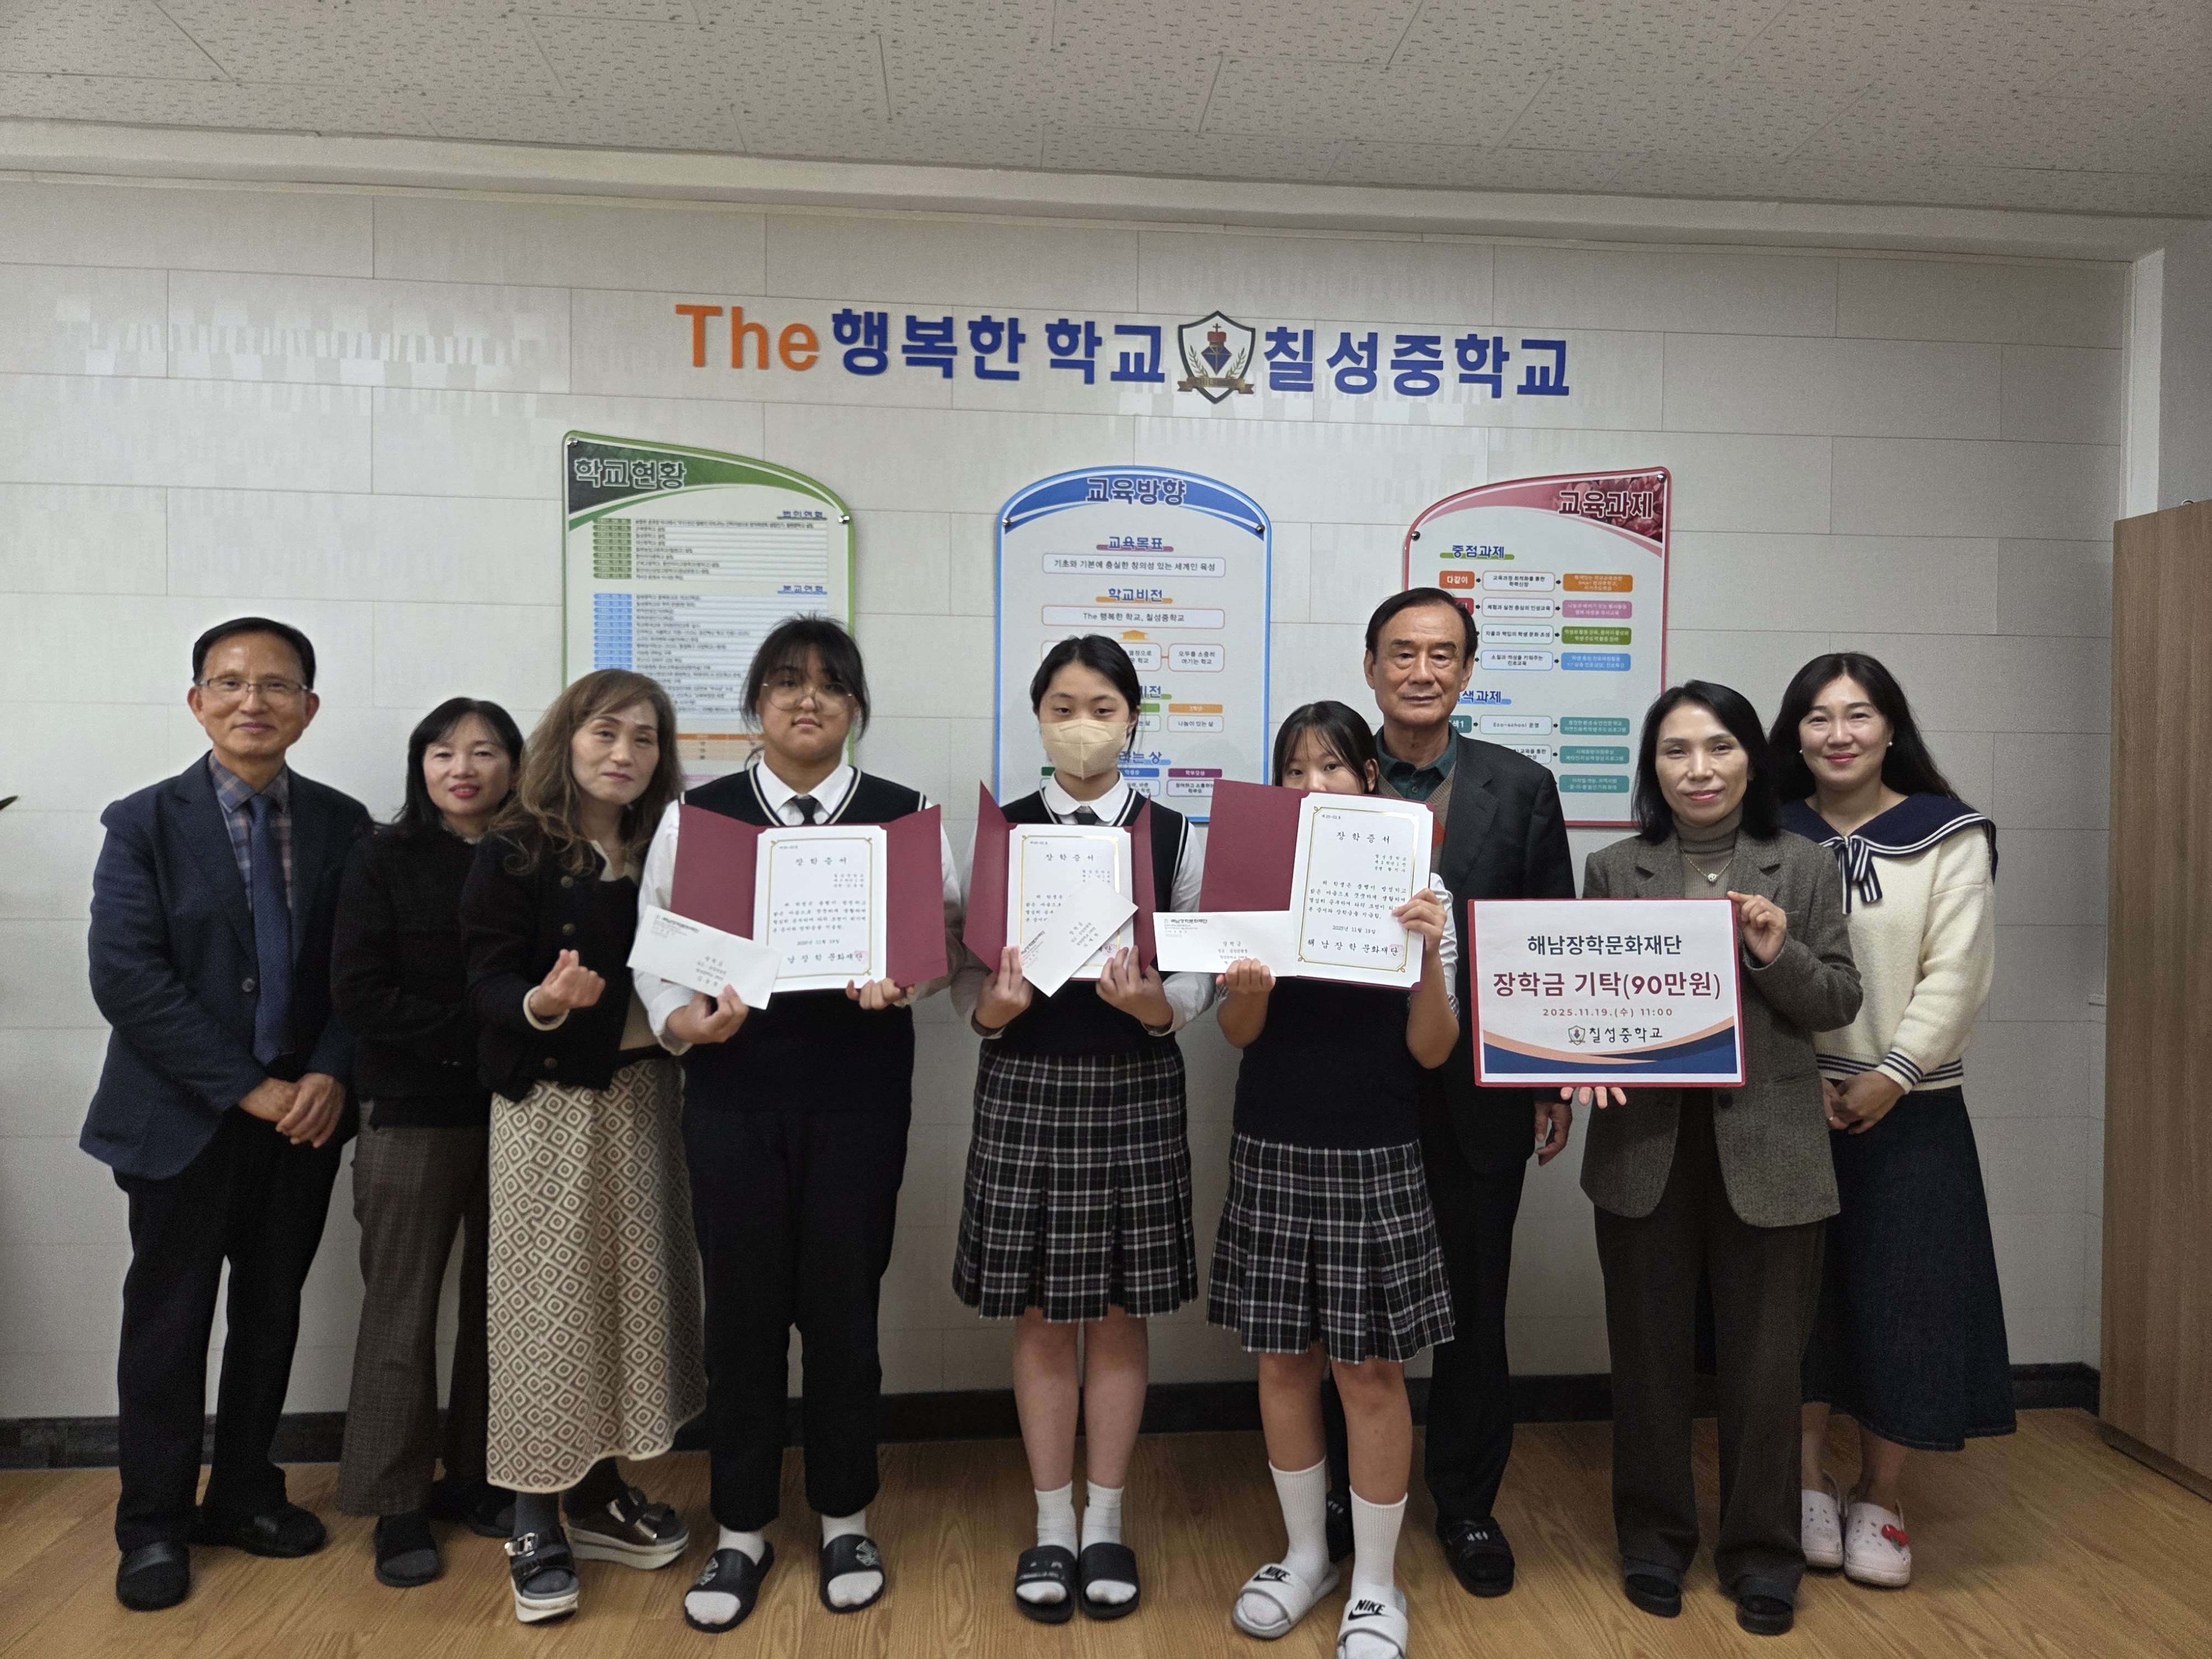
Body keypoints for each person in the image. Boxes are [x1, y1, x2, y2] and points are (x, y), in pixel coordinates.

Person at [630, 617, 964, 1632]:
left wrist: (909, 978)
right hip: (733, 1093)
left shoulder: (906, 817)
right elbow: (658, 951)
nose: (806, 698)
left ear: (855, 705)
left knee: (842, 1309)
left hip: (858, 1093)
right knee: (740, 1314)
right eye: (784, 682)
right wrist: (683, 1022)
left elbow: (944, 937)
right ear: (756, 705)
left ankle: (845, 1517)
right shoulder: (699, 817)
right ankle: (739, 1529)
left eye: (828, 683)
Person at [82, 617, 372, 1613]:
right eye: (231, 682)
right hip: (183, 1117)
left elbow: (361, 969)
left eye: (278, 684)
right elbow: (127, 978)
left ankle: (245, 1493)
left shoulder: (345, 825)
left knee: (270, 1313)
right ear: (197, 701)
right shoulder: (142, 824)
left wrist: (330, 1072)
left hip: (305, 1120)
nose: (255, 701)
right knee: (168, 1324)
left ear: (309, 707)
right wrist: (249, 1087)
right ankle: (153, 1525)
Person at [1577, 680, 1860, 1637]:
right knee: (1648, 1360)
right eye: (1676, 751)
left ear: (1752, 759)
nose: (1699, 770)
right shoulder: (1614, 869)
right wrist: (1574, 1062)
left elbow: (1838, 1000)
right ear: (1653, 769)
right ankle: (1654, 1541)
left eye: (1720, 747)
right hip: (1645, 1148)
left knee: (1768, 1370)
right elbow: (1587, 1002)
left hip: (1772, 1146)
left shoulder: (1805, 866)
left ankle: (1764, 1554)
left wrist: (1776, 952)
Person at [951, 634, 1211, 1624]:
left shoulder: (1175, 836)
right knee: (1040, 1310)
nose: (1082, 725)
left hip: (1134, 1085)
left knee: (1117, 1310)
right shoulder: (1002, 833)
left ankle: (1107, 1519)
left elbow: (1196, 967)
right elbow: (968, 977)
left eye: (1102, 708)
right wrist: (991, 1009)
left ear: (1134, 719)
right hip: (1025, 1084)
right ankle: (1051, 1522)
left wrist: (1159, 1006)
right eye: (1062, 707)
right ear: (1038, 718)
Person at [1211, 702, 1458, 1659]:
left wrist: (1428, 950)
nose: (1312, 787)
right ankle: (1306, 1554)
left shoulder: (1417, 875)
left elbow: (1432, 1050)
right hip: (1275, 1137)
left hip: (1376, 1145)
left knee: (1370, 1370)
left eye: (1332, 768)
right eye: (1294, 770)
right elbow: (1238, 1035)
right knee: (1283, 1360)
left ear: (1368, 777)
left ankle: (1378, 1584)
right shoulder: (1254, 874)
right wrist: (1249, 988)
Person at [459, 669, 704, 1624]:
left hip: (647, 1096)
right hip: (550, 1109)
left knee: (631, 1303)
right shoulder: (517, 847)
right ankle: (532, 1518)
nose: (624, 754)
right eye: (606, 733)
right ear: (566, 740)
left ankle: (598, 1496)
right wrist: (543, 1002)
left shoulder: (669, 844)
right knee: (547, 1309)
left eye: (645, 738)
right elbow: (483, 978)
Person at [1349, 587, 1575, 1597]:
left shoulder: (1521, 787)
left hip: (1479, 1094)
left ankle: (1469, 1504)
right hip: (1353, 1087)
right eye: (1402, 653)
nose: (1422, 671)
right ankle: (1348, 1493)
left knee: (1476, 1306)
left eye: (1443, 654)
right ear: (1371, 667)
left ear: (1469, 671)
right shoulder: (1330, 778)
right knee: (1351, 1307)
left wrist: (1547, 1082)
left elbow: (1546, 941)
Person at [1771, 653, 2008, 1590]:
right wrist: (1800, 1077)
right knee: (1794, 1306)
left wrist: (1893, 1076)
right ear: (1794, 735)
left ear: (1891, 727)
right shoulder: (1767, 831)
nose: (1839, 735)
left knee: (1906, 1300)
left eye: (1859, 715)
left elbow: (1959, 972)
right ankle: (1803, 1483)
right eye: (1819, 718)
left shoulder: (1949, 834)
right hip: (1788, 1102)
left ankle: (1882, 1494)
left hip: (1911, 1107)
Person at [332, 697, 527, 1587]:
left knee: (501, 1309)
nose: (464, 769)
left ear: (515, 766)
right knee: (400, 1310)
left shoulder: (533, 859)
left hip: (518, 1110)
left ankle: (482, 1478)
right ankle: (396, 1502)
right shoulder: (381, 856)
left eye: (484, 752)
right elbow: (360, 992)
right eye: (444, 752)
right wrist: (477, 1040)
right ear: (420, 766)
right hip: (411, 1109)